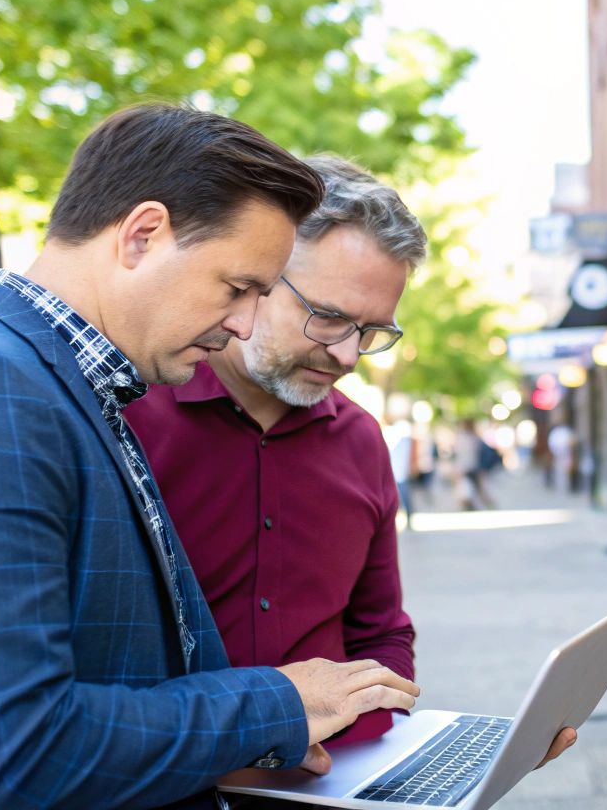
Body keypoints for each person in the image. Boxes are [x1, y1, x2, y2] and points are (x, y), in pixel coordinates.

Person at [0, 106, 419, 810]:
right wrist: (274, 703)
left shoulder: (61, 385)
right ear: (142, 236)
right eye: (238, 287)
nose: (244, 323)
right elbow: (11, 753)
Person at [125, 156, 574, 771]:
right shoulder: (126, 417)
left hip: (340, 779)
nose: (348, 355)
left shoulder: (362, 440)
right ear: (257, 275)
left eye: (371, 331)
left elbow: (381, 631)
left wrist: (394, 749)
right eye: (329, 317)